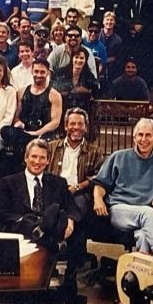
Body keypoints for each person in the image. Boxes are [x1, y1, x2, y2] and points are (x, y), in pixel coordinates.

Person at [92, 118, 153, 258]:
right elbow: (100, 183)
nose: (143, 139)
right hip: (120, 209)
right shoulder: (118, 157)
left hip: (148, 215)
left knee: (143, 235)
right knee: (148, 213)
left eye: (148, 135)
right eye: (140, 135)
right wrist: (98, 199)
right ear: (134, 138)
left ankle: (141, 269)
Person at [46, 107, 106, 292]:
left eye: (80, 124)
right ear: (65, 126)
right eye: (72, 123)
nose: (76, 128)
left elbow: (98, 177)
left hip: (79, 192)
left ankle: (71, 274)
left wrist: (78, 186)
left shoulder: (95, 151)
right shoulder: (52, 147)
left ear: (86, 127)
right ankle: (48, 267)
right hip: (55, 191)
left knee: (77, 208)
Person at [0, 140, 80, 252]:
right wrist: (24, 220)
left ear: (48, 160)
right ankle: (41, 229)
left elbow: (72, 207)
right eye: (34, 156)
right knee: (29, 221)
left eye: (42, 158)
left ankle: (42, 231)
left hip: (49, 233)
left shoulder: (59, 182)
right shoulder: (8, 183)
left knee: (57, 215)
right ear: (26, 158)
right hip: (21, 233)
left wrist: (70, 221)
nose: (37, 162)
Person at [53, 47, 100, 112]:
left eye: (82, 58)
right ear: (72, 58)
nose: (79, 60)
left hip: (82, 110)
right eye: (76, 57)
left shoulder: (89, 76)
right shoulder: (60, 72)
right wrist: (75, 90)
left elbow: (96, 90)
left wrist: (88, 92)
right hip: (62, 108)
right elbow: (55, 88)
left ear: (85, 60)